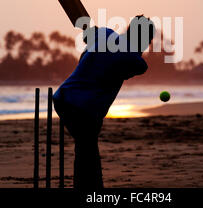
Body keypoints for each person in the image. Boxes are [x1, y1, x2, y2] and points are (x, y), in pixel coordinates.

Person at [53, 15, 155, 189]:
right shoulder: (133, 59)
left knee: (86, 149)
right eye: (148, 41)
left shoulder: (105, 34)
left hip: (63, 96)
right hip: (84, 108)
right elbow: (138, 66)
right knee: (87, 151)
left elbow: (86, 44)